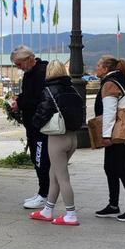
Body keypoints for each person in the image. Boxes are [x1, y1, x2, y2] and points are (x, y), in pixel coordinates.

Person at [28, 60, 85, 226]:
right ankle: (47, 210)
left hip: (57, 138)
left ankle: (71, 214)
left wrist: (35, 123)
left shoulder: (48, 90)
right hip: (72, 137)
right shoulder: (73, 90)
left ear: (49, 73)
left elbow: (42, 113)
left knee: (62, 177)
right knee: (54, 174)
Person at [94, 56, 125, 222]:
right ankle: (113, 205)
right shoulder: (119, 80)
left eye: (98, 66)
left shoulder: (109, 84)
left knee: (121, 169)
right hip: (121, 132)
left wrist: (106, 135)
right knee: (111, 168)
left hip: (117, 135)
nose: (96, 69)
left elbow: (109, 111)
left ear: (106, 68)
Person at [9, 45, 50, 210]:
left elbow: (40, 99)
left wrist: (20, 103)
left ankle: (45, 194)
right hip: (32, 124)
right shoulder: (30, 73)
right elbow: (29, 95)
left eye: (19, 64)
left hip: (39, 124)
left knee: (40, 160)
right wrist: (19, 98)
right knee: (37, 158)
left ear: (29, 59)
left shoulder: (40, 73)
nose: (18, 68)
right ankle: (43, 192)